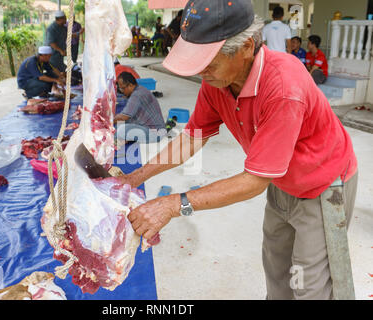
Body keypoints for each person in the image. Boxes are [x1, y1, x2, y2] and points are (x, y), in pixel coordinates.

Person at [118, 0, 358, 300]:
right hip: (280, 180)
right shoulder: (218, 81)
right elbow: (192, 138)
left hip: (321, 185)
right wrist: (137, 176)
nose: (202, 72)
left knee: (308, 284)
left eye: (209, 63)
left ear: (246, 47)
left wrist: (171, 204)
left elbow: (253, 180)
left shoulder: (283, 86)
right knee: (277, 268)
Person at [114, 72, 166, 144]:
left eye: (122, 88)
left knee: (121, 130)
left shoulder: (136, 95)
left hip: (155, 133)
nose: (122, 92)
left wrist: (108, 121)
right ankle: (124, 138)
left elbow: (124, 117)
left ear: (130, 85)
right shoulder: (140, 89)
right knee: (118, 125)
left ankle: (122, 139)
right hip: (147, 127)